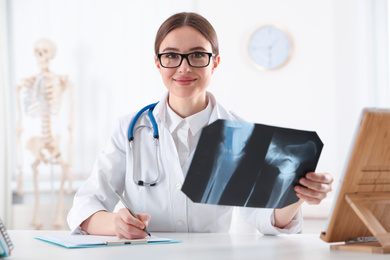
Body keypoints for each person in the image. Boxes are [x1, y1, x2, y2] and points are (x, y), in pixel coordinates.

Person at [67, 12, 333, 239]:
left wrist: (298, 195)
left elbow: (265, 218)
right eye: (171, 56)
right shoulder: (129, 129)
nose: (183, 68)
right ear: (158, 63)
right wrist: (116, 224)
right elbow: (86, 204)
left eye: (197, 55)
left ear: (215, 63)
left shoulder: (240, 133)